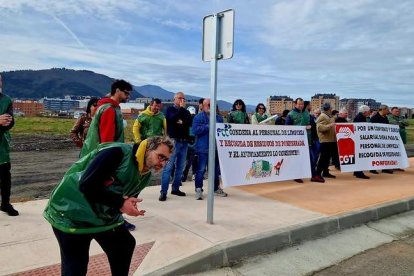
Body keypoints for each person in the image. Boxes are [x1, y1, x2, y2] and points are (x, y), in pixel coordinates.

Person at [44, 136, 173, 276]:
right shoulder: (117, 153)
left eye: (166, 160)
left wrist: (128, 205)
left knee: (124, 245)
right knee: (76, 265)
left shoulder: (144, 173)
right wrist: (120, 203)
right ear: (148, 148)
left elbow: (122, 197)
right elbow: (87, 185)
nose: (163, 163)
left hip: (99, 214)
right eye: (161, 157)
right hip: (71, 212)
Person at [80, 79, 132, 158]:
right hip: (104, 154)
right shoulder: (109, 109)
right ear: (117, 91)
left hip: (98, 153)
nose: (128, 96)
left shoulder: (108, 107)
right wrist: (108, 158)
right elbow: (107, 140)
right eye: (126, 93)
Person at [192, 98, 227, 199]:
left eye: (212, 105)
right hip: (203, 149)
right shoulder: (198, 117)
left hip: (216, 149)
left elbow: (223, 131)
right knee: (201, 170)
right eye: (207, 105)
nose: (210, 107)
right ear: (202, 106)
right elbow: (195, 130)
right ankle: (198, 189)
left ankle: (215, 188)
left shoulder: (219, 118)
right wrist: (209, 126)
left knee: (215, 170)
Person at [159, 92, 192, 201]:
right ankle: (163, 192)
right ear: (174, 99)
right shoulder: (170, 110)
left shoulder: (186, 112)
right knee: (168, 167)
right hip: (173, 142)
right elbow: (172, 119)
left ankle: (175, 188)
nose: (182, 100)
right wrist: (181, 111)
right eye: (180, 98)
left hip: (184, 142)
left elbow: (188, 122)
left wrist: (181, 120)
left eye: (183, 98)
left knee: (180, 167)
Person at [0, 74, 19, 216]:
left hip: (2, 146)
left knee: (5, 177)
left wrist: (8, 122)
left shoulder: (6, 100)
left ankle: (5, 204)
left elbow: (10, 120)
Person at [285, 98, 316, 183]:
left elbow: (312, 124)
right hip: (296, 142)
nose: (301, 106)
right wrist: (303, 128)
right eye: (299, 104)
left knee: (311, 158)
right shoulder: (290, 114)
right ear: (295, 104)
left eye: (302, 104)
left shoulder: (306, 113)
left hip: (308, 140)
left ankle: (314, 175)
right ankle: (297, 175)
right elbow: (287, 129)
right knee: (297, 159)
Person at [315, 102, 337, 181]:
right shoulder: (323, 116)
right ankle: (317, 174)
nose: (332, 109)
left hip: (330, 140)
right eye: (331, 107)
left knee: (327, 158)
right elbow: (320, 128)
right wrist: (330, 126)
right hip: (325, 140)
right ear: (329, 109)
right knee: (323, 158)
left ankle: (325, 172)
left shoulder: (329, 116)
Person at [370, 105, 393, 174]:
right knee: (376, 154)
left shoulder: (385, 117)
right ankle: (372, 169)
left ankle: (385, 168)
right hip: (376, 139)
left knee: (385, 154)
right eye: (387, 110)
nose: (388, 111)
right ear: (383, 109)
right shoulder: (374, 118)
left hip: (384, 139)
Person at [352, 105, 371, 179]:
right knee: (360, 156)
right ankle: (359, 172)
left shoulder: (359, 117)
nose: (369, 113)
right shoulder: (360, 118)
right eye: (368, 112)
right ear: (365, 112)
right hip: (359, 140)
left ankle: (357, 171)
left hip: (358, 139)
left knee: (358, 156)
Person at [181, 105, 197, 182]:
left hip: (193, 144)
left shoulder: (196, 121)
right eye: (190, 114)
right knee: (183, 161)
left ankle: (184, 176)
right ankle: (181, 176)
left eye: (193, 114)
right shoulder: (184, 121)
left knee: (189, 162)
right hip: (185, 144)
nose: (192, 116)